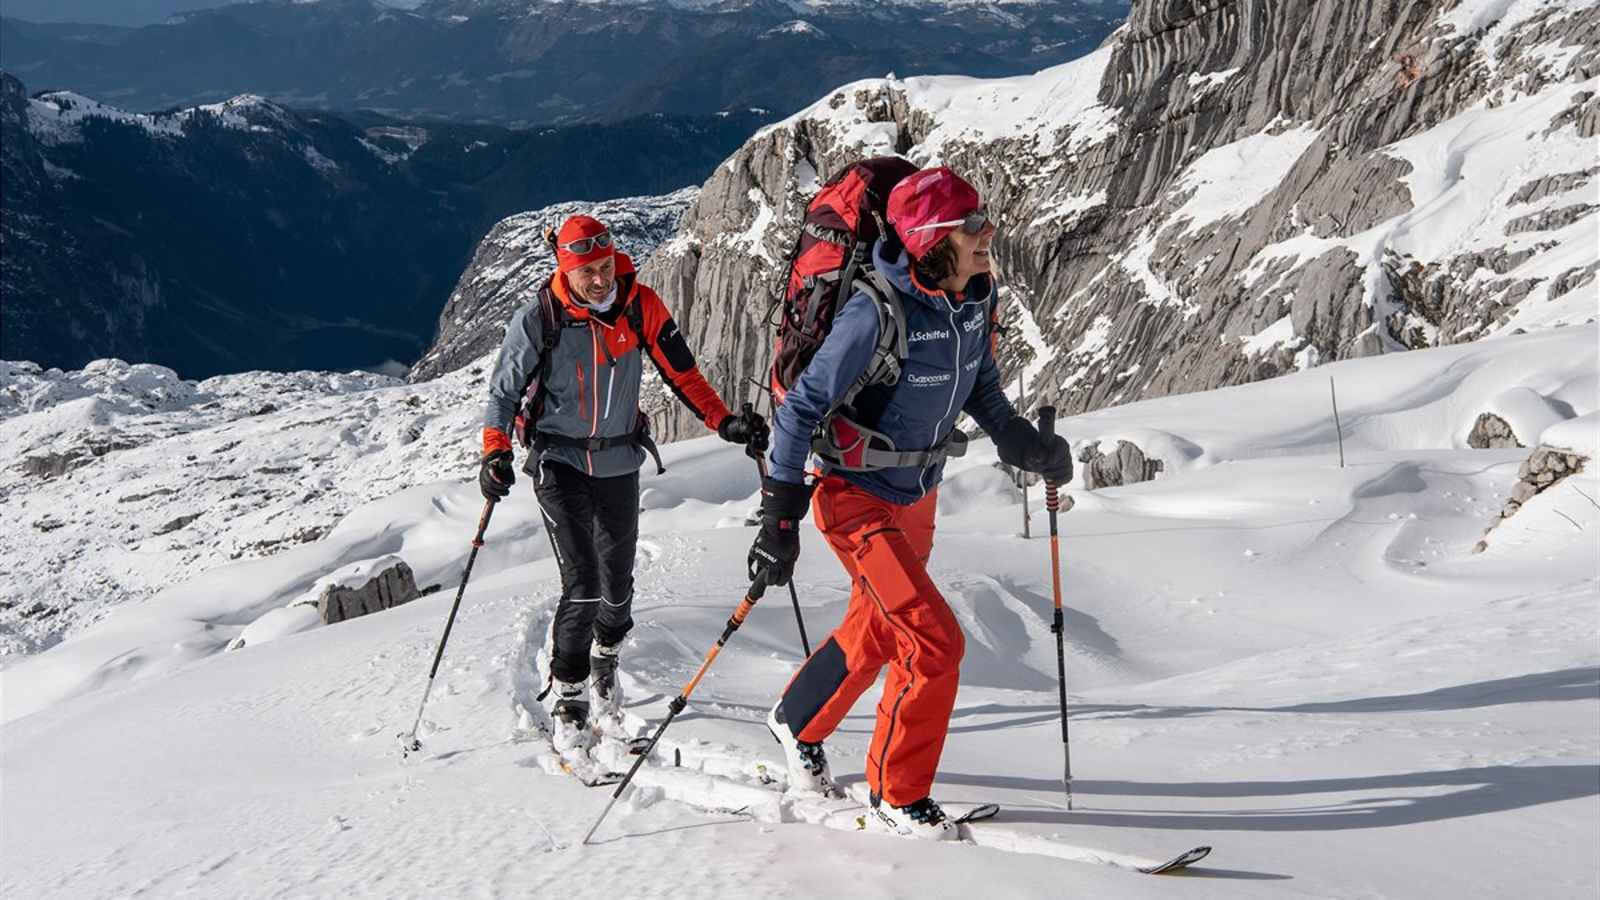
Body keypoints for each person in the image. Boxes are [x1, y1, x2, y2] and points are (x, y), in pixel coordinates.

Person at [747, 167, 1073, 839]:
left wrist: (1025, 445)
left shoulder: (973, 300)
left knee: (878, 629)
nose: (989, 234)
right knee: (934, 643)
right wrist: (779, 513)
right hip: (854, 499)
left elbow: (982, 390)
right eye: (972, 226)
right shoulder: (876, 310)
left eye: (984, 220)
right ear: (931, 239)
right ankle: (897, 795)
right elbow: (802, 407)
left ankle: (796, 720)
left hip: (916, 495)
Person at [481, 214, 768, 734]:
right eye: (587, 270)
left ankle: (605, 657)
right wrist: (495, 452)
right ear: (564, 269)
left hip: (618, 461)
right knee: (585, 585)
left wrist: (724, 421)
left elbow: (683, 374)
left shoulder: (641, 306)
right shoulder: (539, 319)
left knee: (617, 588)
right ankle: (569, 691)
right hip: (558, 461)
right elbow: (503, 395)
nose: (599, 278)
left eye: (605, 265)